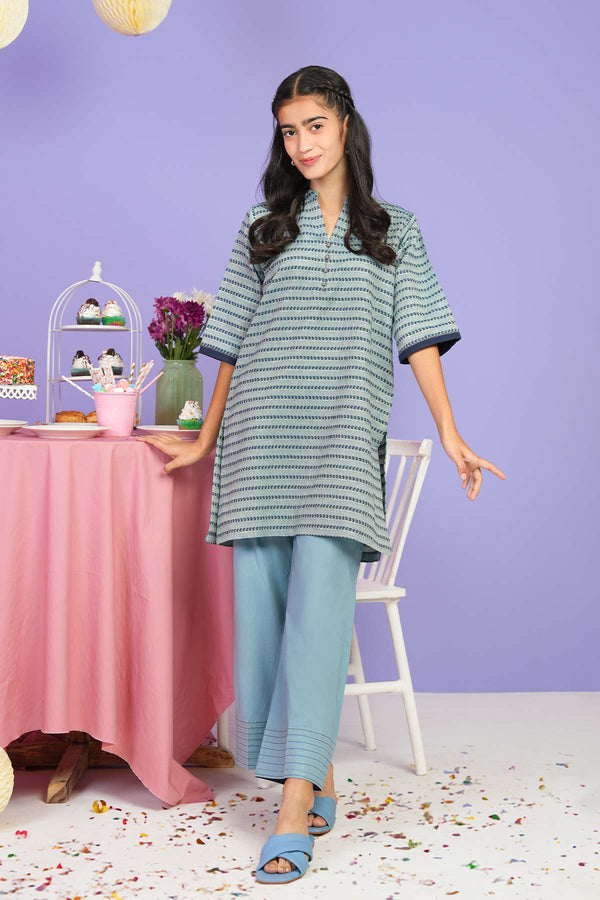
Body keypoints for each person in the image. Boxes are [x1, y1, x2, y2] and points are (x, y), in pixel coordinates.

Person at [137, 64, 506, 885]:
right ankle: (316, 777)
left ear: (344, 123)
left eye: (313, 125)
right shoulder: (262, 227)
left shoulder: (394, 229)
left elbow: (419, 337)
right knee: (266, 625)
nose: (301, 143)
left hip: (341, 445)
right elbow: (230, 339)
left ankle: (292, 809)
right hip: (259, 440)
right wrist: (203, 440)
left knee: (317, 622)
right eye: (287, 130)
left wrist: (450, 434)